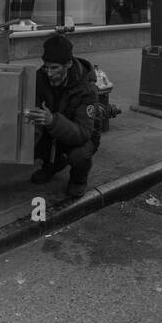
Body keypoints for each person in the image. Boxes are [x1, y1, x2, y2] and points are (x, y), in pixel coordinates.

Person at [24, 33, 100, 199]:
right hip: (51, 134)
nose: (49, 73)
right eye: (46, 67)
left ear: (69, 64)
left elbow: (83, 133)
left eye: (54, 68)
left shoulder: (87, 89)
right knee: (26, 138)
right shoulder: (39, 78)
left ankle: (78, 179)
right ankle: (51, 164)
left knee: (80, 154)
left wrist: (52, 121)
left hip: (80, 137)